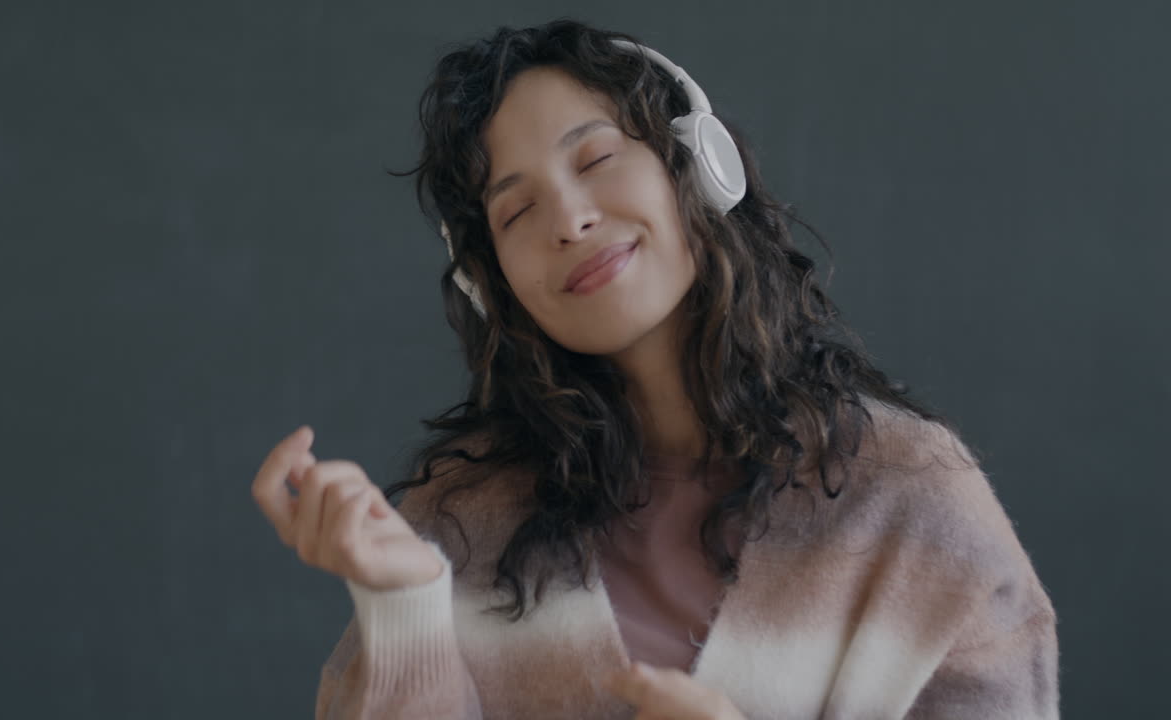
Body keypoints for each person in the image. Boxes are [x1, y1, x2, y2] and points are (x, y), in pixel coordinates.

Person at [251, 18, 1060, 720]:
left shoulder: (915, 504)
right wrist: (402, 609)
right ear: (492, 284)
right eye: (517, 210)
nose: (570, 218)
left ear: (701, 167)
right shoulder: (456, 521)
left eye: (597, 158)